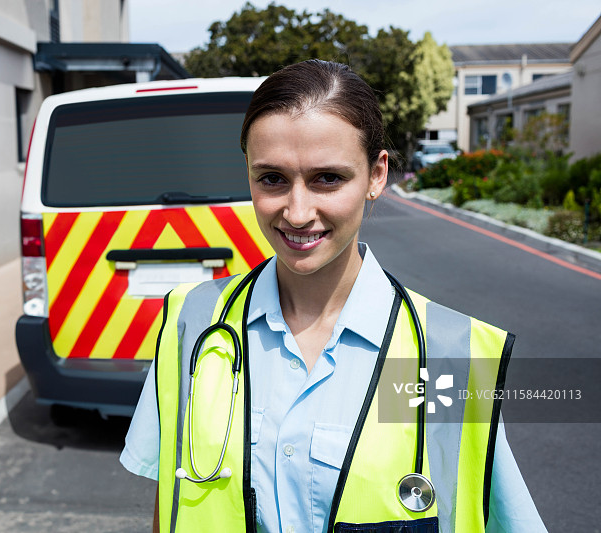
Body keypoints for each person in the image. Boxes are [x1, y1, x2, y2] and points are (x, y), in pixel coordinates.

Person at [120, 60, 545, 533]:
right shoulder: (193, 323)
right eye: (272, 179)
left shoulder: (445, 357)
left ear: (377, 176)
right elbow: (171, 506)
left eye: (327, 178)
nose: (297, 212)